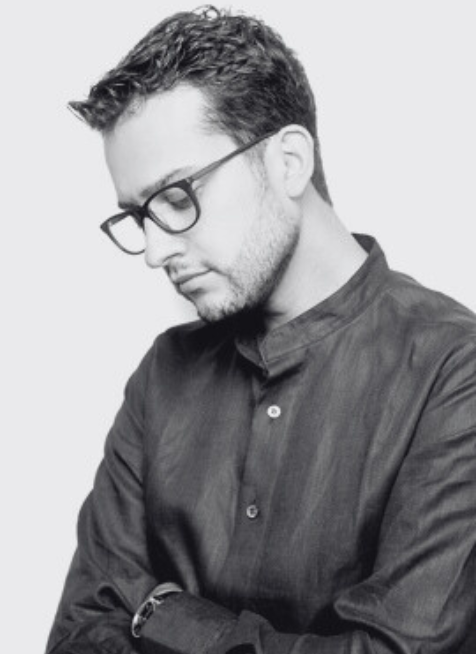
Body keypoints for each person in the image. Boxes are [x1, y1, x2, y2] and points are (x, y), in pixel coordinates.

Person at [46, 6, 476, 654]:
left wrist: (161, 613)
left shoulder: (453, 369)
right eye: (138, 216)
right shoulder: (163, 372)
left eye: (177, 197)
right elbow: (79, 632)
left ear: (289, 161)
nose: (157, 251)